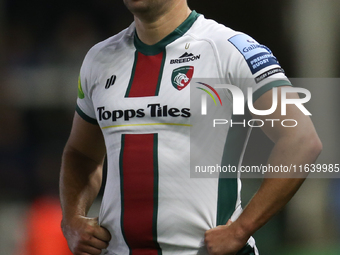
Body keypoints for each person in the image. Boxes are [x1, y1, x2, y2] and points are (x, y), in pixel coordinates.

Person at [59, 0, 322, 254]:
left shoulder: (230, 49)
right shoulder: (98, 58)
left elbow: (301, 140)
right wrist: (71, 220)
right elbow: (82, 154)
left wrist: (242, 229)